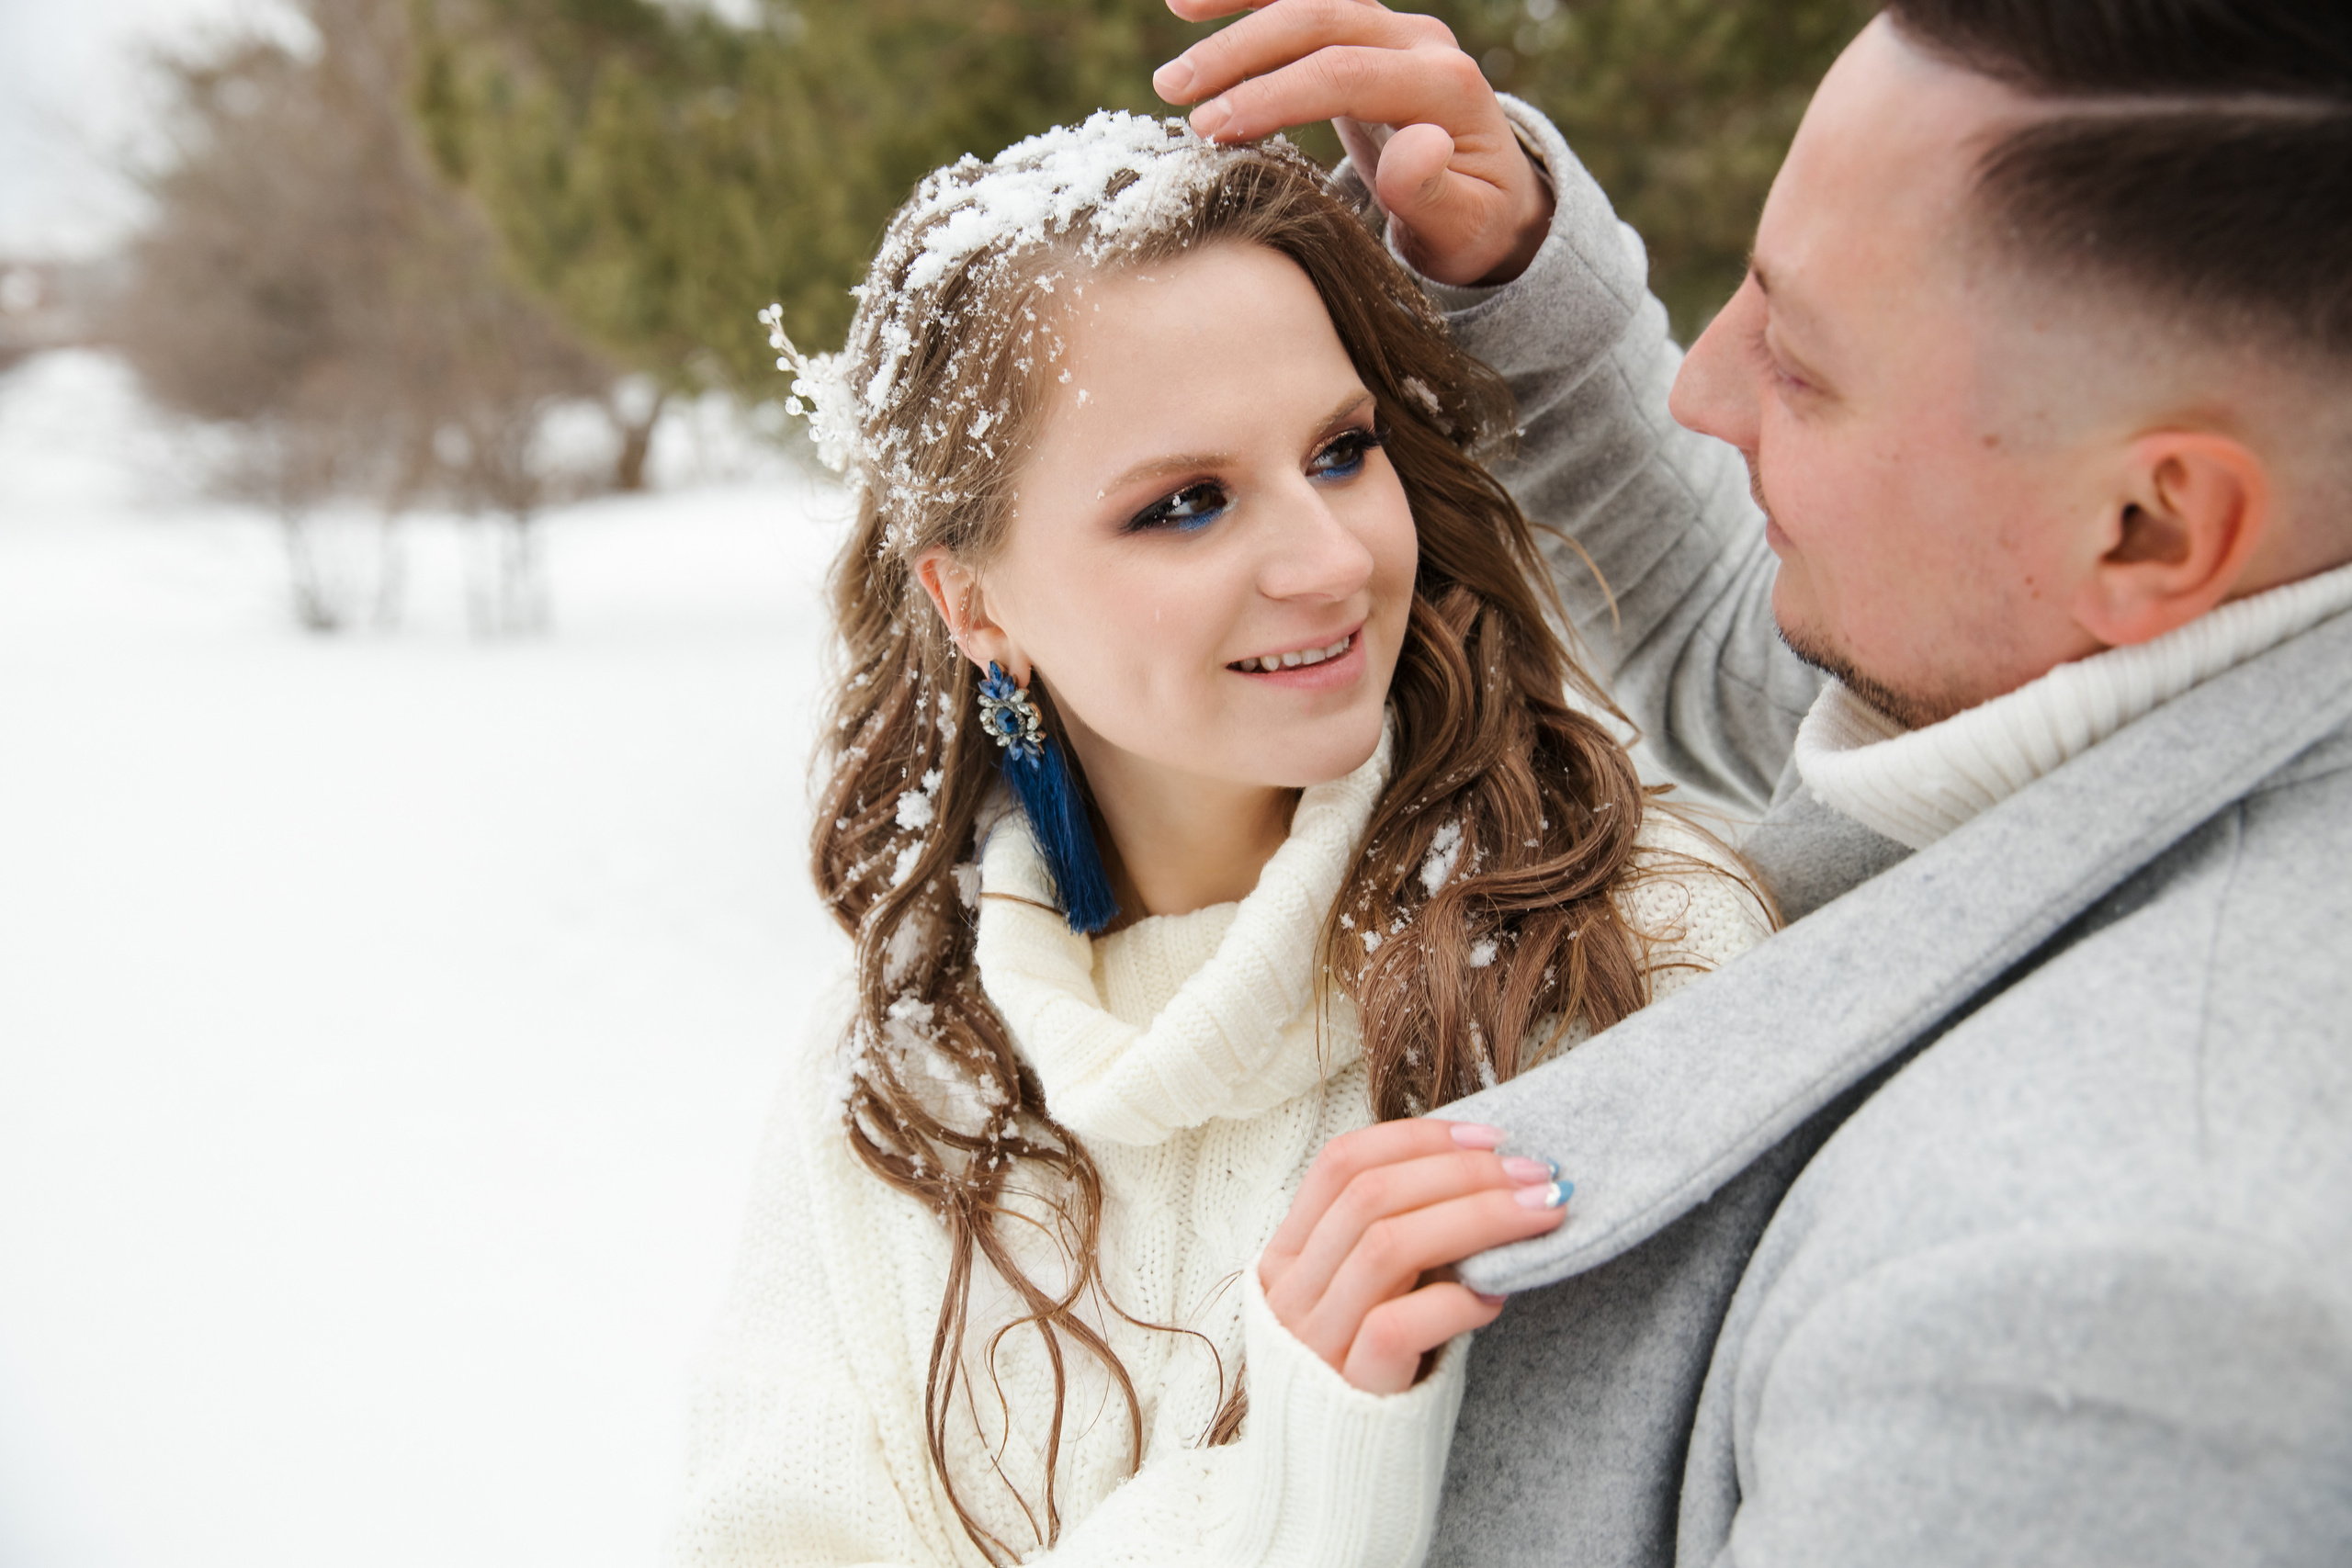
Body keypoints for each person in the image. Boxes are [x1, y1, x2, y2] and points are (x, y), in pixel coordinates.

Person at [1148, 0, 2352, 1562]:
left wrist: (1296, 1504)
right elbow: (1794, 656)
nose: (1703, 391)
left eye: (1800, 363)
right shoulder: (2171, 625)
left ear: (2151, 525)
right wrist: (1508, 274)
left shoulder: (2098, 1328)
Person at [664, 116, 1772, 1566]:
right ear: (973, 605)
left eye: (1341, 451)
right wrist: (1282, 1498)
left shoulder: (1629, 956)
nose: (1331, 559)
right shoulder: (900, 1071)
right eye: (1185, 505)